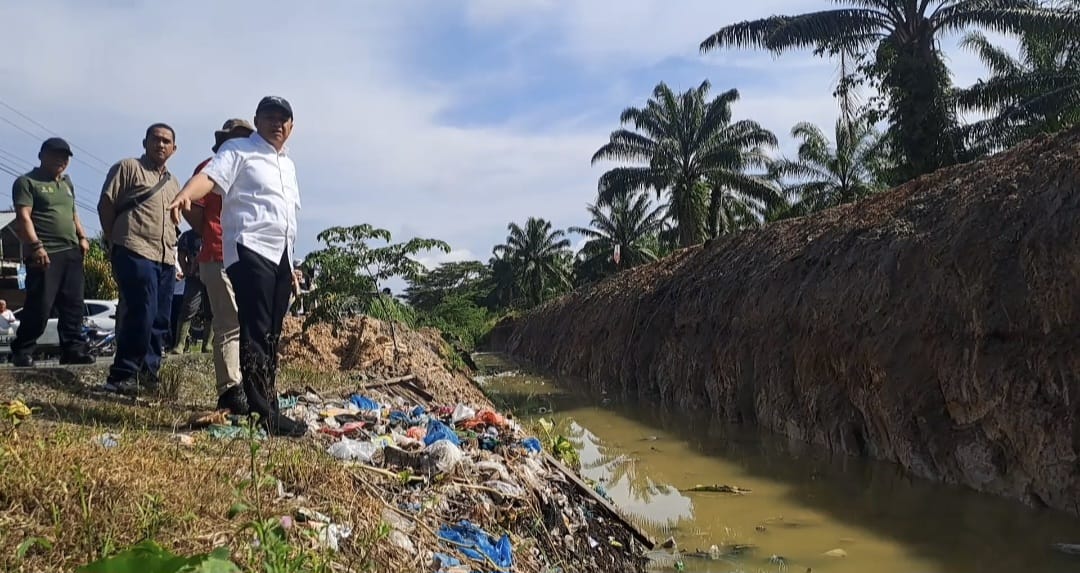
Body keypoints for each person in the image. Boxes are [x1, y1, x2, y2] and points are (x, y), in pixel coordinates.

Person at [170, 97, 306, 437]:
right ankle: (264, 413)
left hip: (280, 254)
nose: (277, 123)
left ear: (291, 127)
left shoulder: (288, 165)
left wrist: (290, 264)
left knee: (272, 332)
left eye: (283, 119)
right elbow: (209, 177)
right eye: (270, 117)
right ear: (258, 121)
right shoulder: (239, 151)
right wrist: (186, 193)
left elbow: (286, 217)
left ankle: (268, 401)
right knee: (255, 328)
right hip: (249, 247)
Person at [97, 124, 180, 394]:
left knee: (160, 318)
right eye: (155, 139)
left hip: (166, 256)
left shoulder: (174, 183)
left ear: (174, 149)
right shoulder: (128, 167)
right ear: (145, 142)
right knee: (141, 311)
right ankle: (123, 374)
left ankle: (148, 374)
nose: (161, 145)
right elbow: (106, 204)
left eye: (167, 141)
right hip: (134, 248)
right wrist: (114, 239)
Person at [181, 118, 253, 414]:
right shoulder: (209, 168)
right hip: (218, 253)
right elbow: (192, 209)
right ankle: (230, 389)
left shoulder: (252, 170)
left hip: (250, 257)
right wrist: (211, 232)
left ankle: (249, 385)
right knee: (229, 322)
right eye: (235, 137)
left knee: (250, 325)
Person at [9, 137, 94, 367]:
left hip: (71, 250)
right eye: (55, 155)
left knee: (73, 304)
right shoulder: (28, 182)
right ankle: (23, 350)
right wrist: (36, 246)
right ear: (41, 155)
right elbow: (23, 216)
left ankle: (73, 349)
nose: (61, 160)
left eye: (65, 157)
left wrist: (83, 237)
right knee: (40, 304)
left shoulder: (67, 183)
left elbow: (73, 213)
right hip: (45, 251)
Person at [170, 228, 204, 353]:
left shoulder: (214, 231)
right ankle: (180, 344)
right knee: (188, 308)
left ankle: (208, 344)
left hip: (211, 274)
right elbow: (180, 256)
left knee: (212, 310)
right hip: (194, 277)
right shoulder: (187, 236)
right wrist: (186, 271)